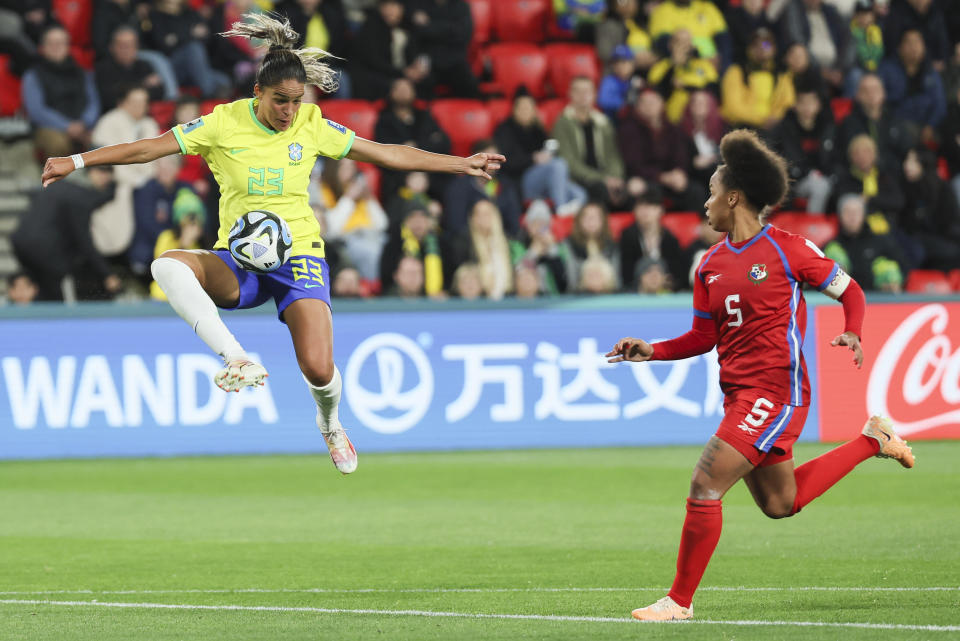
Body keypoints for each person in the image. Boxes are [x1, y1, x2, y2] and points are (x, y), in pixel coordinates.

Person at [40, 13, 504, 475]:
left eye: (297, 102)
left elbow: (387, 153)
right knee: (167, 265)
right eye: (281, 101)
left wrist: (461, 164)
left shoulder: (311, 124)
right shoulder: (222, 123)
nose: (289, 111)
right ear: (257, 93)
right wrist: (77, 160)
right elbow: (150, 147)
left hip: (299, 254)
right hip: (239, 260)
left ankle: (331, 424)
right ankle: (236, 358)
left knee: (319, 369)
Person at [606, 129, 914, 623]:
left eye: (710, 193)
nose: (704, 204)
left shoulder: (788, 249)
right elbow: (702, 338)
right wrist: (653, 351)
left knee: (705, 483)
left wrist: (853, 331)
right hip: (739, 395)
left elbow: (851, 291)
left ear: (733, 197)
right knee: (779, 502)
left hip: (777, 391)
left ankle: (678, 602)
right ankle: (873, 440)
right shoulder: (708, 265)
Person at [493, 88, 587, 216]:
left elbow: (547, 151)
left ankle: (569, 215)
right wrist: (532, 158)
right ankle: (560, 208)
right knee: (558, 165)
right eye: (522, 108)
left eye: (529, 108)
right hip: (521, 180)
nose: (526, 111)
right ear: (514, 110)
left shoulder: (537, 129)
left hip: (544, 177)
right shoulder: (505, 130)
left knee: (580, 194)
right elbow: (505, 161)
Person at [22, 25, 101, 159]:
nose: (56, 47)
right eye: (51, 43)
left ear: (68, 46)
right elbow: (36, 110)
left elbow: (93, 102)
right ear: (43, 47)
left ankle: (98, 179)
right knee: (58, 144)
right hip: (49, 127)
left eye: (60, 43)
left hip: (83, 125)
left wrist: (84, 123)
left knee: (104, 139)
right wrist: (67, 126)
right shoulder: (33, 75)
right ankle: (61, 179)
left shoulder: (82, 72)